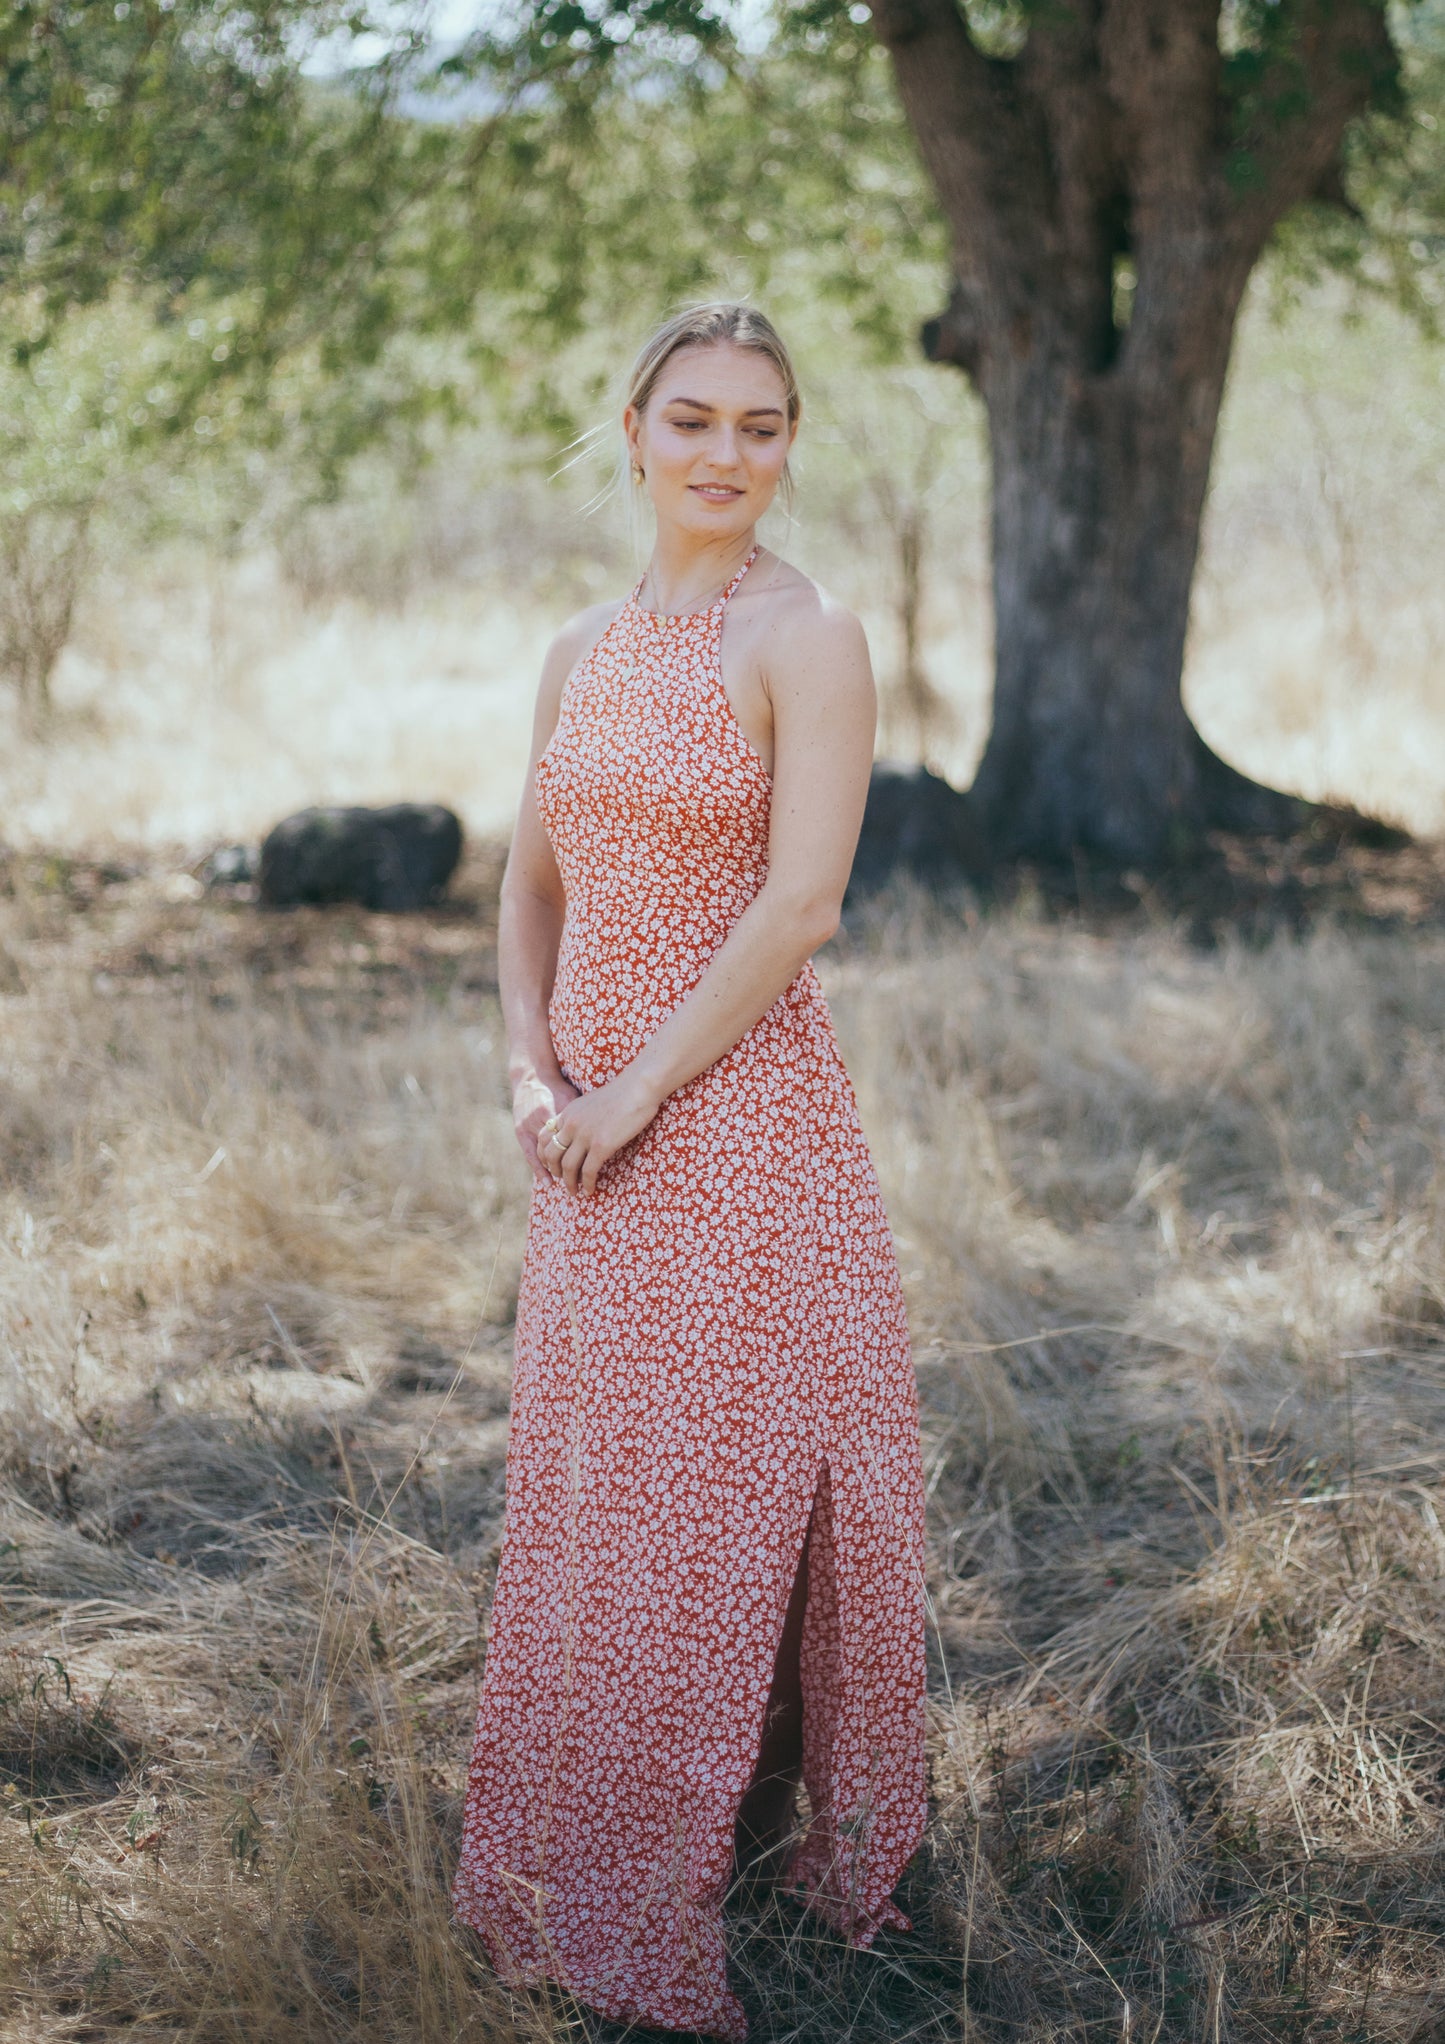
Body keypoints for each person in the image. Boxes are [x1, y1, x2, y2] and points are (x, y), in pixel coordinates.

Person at [452, 302, 927, 2041]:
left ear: (790, 443)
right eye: (695, 419)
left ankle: (719, 1875)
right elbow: (531, 884)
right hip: (582, 1133)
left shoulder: (805, 636)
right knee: (601, 1502)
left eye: (763, 424)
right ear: (634, 426)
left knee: (715, 1510)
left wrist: (635, 1088)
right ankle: (589, 1854)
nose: (728, 453)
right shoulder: (581, 644)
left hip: (733, 1128)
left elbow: (800, 906)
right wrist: (530, 1068)